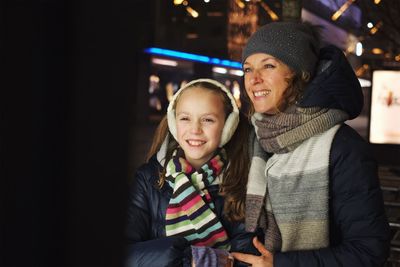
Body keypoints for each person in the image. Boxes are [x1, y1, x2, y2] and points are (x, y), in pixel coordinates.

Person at [230, 21, 391, 266]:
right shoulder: (257, 137)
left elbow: (369, 250)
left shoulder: (343, 148)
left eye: (269, 66)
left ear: (299, 74)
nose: (254, 80)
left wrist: (281, 264)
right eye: (247, 69)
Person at [125, 78, 256, 267]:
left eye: (208, 120)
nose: (195, 129)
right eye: (185, 118)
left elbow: (246, 259)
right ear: (173, 122)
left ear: (228, 127)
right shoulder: (148, 179)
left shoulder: (242, 180)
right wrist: (190, 259)